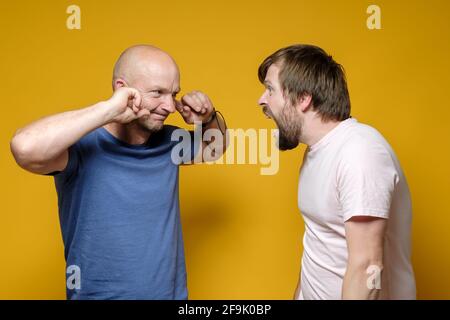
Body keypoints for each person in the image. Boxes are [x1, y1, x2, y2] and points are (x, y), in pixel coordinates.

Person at [10, 44, 227, 299]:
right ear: (122, 89)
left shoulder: (169, 142)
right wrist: (108, 110)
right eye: (157, 92)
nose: (169, 106)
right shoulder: (82, 146)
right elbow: (24, 147)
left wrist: (209, 117)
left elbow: (216, 147)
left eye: (173, 93)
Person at [257, 44, 416, 299]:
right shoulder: (317, 151)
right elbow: (318, 245)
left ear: (303, 98)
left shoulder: (360, 152)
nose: (262, 100)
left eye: (270, 89)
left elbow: (367, 268)